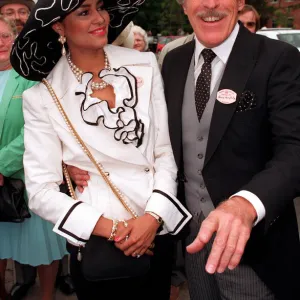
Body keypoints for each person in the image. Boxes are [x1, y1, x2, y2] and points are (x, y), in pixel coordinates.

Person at [10, 0, 191, 299]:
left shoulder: (143, 65)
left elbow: (164, 152)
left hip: (153, 231)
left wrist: (152, 218)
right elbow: (40, 191)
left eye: (100, 7)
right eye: (84, 12)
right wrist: (114, 229)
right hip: (98, 242)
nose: (100, 18)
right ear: (58, 27)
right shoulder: (42, 96)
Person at [162, 0, 300, 300]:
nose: (210, 4)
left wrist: (246, 204)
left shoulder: (279, 58)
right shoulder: (172, 61)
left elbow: (295, 148)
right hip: (193, 242)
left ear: (240, 2)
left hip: (256, 249)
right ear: (183, 5)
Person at [0, 16, 67, 300]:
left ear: (15, 39)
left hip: (30, 176)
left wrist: (2, 164)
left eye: (4, 35)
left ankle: (47, 296)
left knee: (43, 245)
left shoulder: (30, 76)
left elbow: (36, 127)